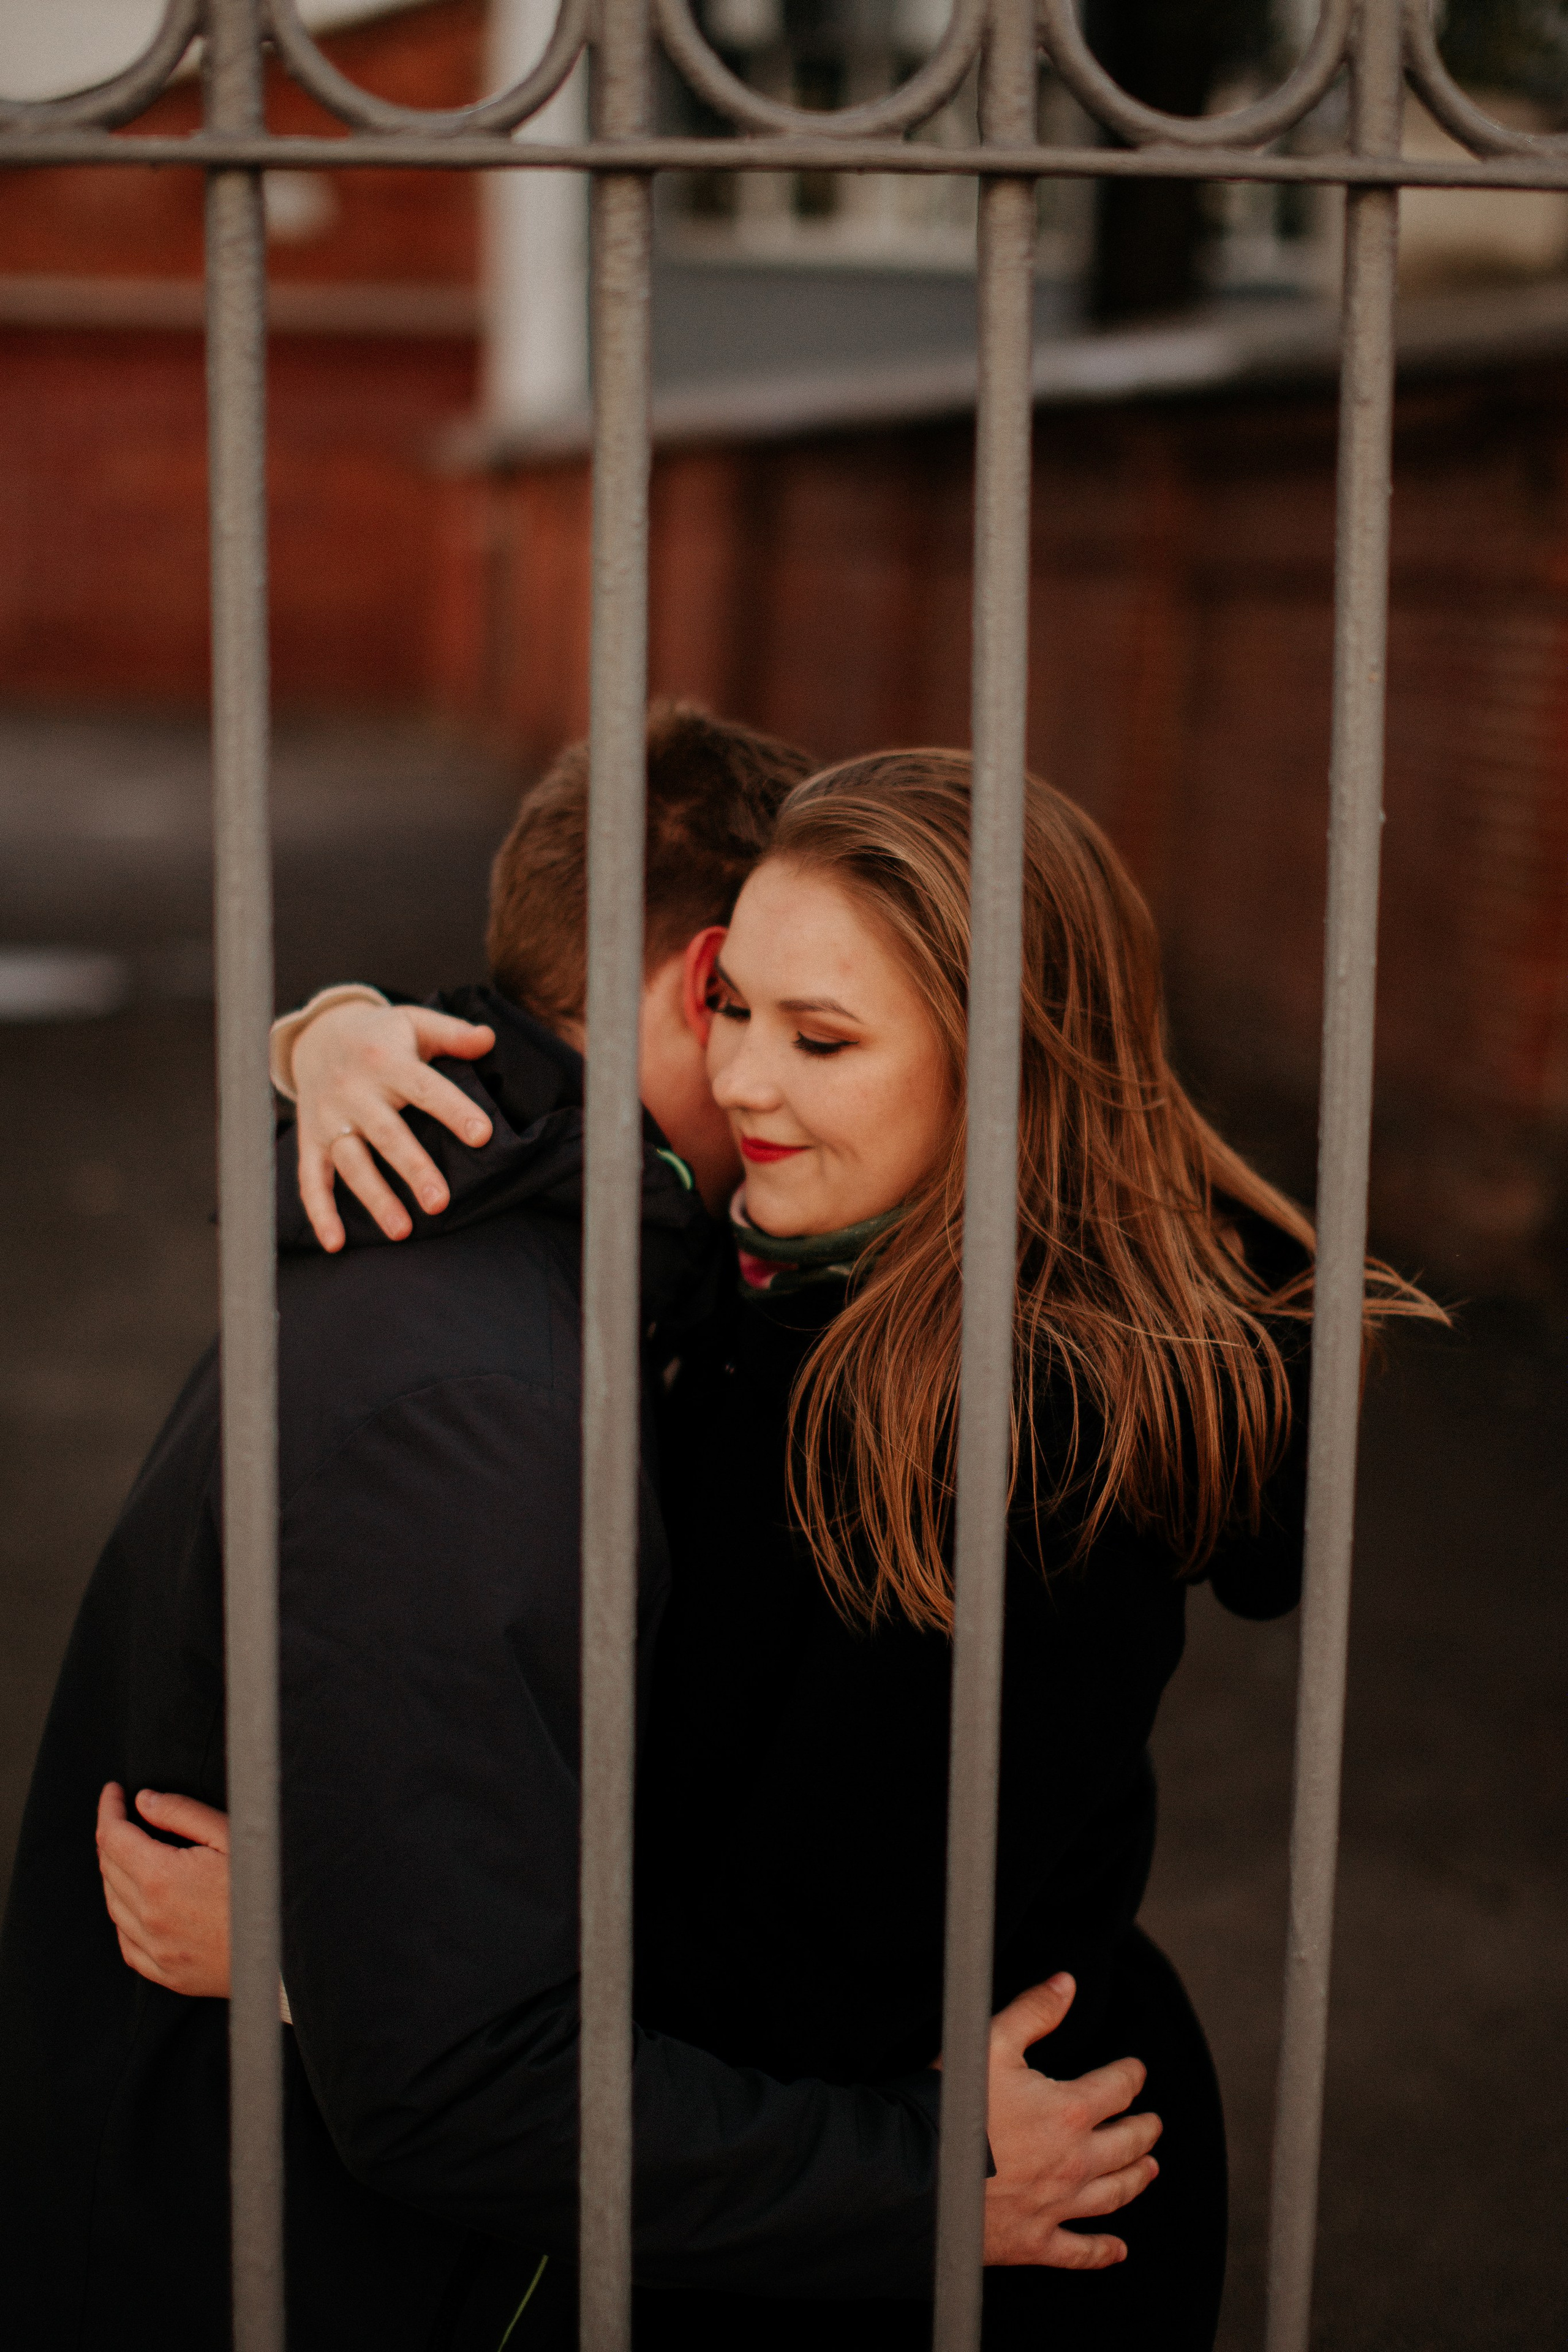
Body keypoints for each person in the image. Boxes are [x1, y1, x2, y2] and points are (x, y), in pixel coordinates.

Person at [113, 747, 1441, 2349]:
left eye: (821, 1039)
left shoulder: (1022, 1439)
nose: (739, 1080)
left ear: (1002, 1066)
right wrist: (332, 1034)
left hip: (969, 2208)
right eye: (733, 1006)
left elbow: (807, 1986)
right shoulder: (819, 1265)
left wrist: (330, 1952)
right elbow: (545, 1028)